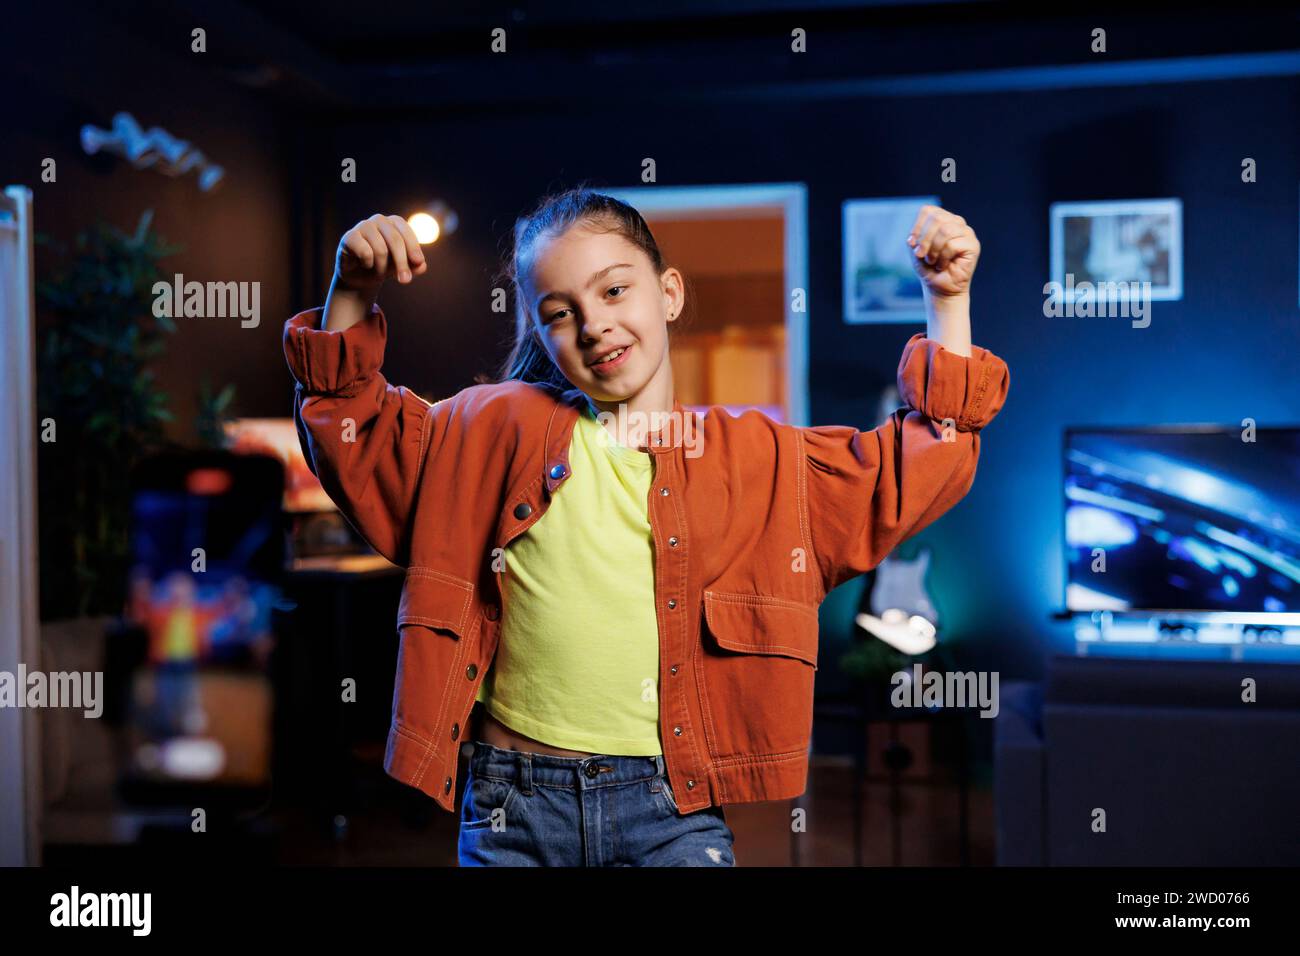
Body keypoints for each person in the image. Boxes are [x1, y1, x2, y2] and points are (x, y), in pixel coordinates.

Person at [282, 187, 1010, 866]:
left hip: (673, 809)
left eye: (614, 289)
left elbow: (919, 465)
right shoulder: (489, 428)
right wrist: (352, 291)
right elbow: (358, 434)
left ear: (669, 292)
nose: (593, 322)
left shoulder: (758, 459)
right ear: (540, 329)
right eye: (559, 311)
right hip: (512, 802)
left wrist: (946, 300)